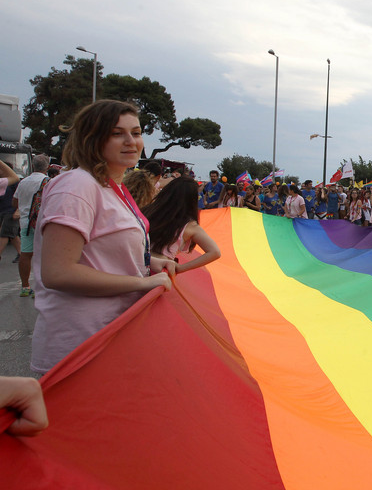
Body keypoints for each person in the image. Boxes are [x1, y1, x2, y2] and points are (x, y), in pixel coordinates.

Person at [31, 100, 175, 374]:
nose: (131, 141)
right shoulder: (77, 186)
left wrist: (149, 263)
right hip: (79, 346)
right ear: (92, 138)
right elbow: (58, 273)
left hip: (110, 335)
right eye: (117, 133)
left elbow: (100, 249)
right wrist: (141, 283)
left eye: (136, 132)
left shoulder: (110, 185)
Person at [144, 177, 221, 274]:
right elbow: (215, 252)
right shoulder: (190, 226)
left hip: (135, 263)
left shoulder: (149, 211)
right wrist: (181, 268)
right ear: (192, 199)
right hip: (157, 273)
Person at [12, 154, 48, 297]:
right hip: (42, 222)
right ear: (47, 167)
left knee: (25, 255)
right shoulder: (48, 182)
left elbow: (15, 202)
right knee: (43, 255)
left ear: (32, 166)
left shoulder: (23, 182)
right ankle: (40, 287)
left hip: (25, 222)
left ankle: (25, 287)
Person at [0, 159, 22, 264]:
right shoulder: (3, 181)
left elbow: (19, 197)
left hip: (11, 211)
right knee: (12, 235)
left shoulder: (14, 183)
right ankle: (21, 253)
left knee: (4, 233)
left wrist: (17, 210)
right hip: (3, 211)